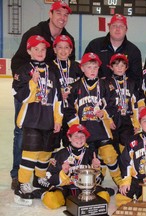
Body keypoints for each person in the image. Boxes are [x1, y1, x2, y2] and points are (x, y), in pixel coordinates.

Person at [10, 1, 74, 190]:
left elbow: (65, 67)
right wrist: (27, 82)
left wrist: (61, 87)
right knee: (23, 133)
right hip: (29, 94)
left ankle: (41, 174)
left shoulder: (67, 37)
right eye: (59, 13)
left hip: (50, 93)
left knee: (48, 135)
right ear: (51, 13)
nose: (62, 17)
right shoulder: (34, 32)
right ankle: (17, 175)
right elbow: (18, 61)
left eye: (66, 14)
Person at [12, 35, 62, 206]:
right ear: (29, 51)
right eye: (36, 49)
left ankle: (39, 179)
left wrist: (58, 119)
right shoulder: (22, 71)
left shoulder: (52, 71)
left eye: (43, 49)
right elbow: (23, 97)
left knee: (45, 153)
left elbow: (57, 99)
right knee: (31, 154)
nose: (40, 52)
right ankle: (22, 183)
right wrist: (33, 83)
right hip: (31, 119)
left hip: (48, 119)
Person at [65, 52, 122, 186]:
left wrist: (105, 112)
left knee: (109, 155)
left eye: (95, 67)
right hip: (83, 132)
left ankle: (119, 180)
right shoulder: (74, 87)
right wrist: (76, 128)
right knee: (87, 159)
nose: (92, 70)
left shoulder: (106, 85)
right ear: (82, 68)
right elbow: (68, 109)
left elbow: (114, 104)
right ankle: (94, 180)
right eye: (89, 67)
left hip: (101, 130)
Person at [41, 124, 112, 209]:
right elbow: (50, 177)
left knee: (104, 197)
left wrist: (95, 168)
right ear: (69, 138)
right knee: (50, 200)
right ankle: (44, 193)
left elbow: (99, 180)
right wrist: (64, 172)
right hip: (66, 189)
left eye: (82, 136)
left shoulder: (90, 153)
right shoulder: (60, 154)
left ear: (86, 138)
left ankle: (81, 201)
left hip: (87, 190)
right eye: (76, 136)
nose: (79, 139)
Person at [85, 13, 142, 90]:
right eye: (114, 25)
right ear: (109, 27)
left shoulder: (133, 51)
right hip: (97, 92)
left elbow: (136, 79)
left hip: (123, 95)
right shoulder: (95, 45)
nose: (117, 29)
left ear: (126, 29)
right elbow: (85, 69)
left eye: (121, 26)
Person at [50, 35, 83, 149]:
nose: (63, 51)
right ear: (54, 50)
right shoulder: (49, 67)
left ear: (70, 50)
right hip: (54, 113)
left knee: (72, 144)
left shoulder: (77, 67)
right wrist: (58, 93)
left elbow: (83, 87)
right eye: (60, 47)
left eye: (66, 47)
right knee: (52, 145)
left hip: (72, 112)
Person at [106, 53, 140, 154]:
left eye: (122, 65)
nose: (119, 68)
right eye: (116, 65)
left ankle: (126, 168)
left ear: (126, 67)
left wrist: (136, 123)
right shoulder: (106, 83)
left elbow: (135, 104)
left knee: (127, 147)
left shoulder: (131, 83)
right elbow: (103, 104)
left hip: (127, 120)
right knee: (113, 149)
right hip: (113, 119)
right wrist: (108, 119)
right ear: (111, 67)